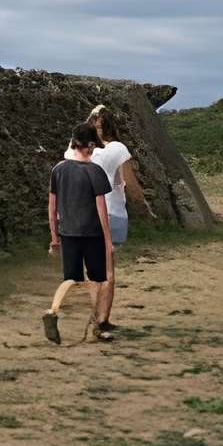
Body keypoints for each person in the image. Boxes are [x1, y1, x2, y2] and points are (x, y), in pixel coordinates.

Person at [83, 102, 154, 333]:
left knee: (93, 271)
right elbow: (130, 184)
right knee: (108, 272)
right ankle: (102, 320)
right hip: (111, 213)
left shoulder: (85, 151)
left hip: (85, 215)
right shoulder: (118, 149)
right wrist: (144, 206)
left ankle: (94, 316)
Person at [44, 123, 114, 345]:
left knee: (70, 280)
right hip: (92, 234)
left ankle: (52, 311)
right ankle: (95, 325)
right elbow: (102, 211)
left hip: (68, 233)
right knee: (96, 280)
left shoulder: (58, 169)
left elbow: (52, 207)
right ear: (90, 145)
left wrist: (54, 237)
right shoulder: (95, 171)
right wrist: (108, 241)